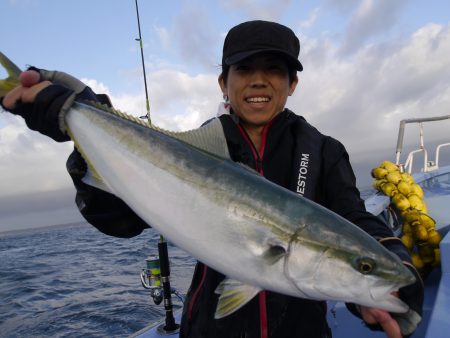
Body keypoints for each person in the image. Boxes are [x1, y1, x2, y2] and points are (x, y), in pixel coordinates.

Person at [1, 20, 423, 338]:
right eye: (244, 69)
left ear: (292, 84)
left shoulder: (323, 150)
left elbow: (351, 214)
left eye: (275, 70)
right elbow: (121, 222)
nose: (259, 80)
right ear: (224, 82)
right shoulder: (193, 149)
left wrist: (393, 262)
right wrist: (84, 129)